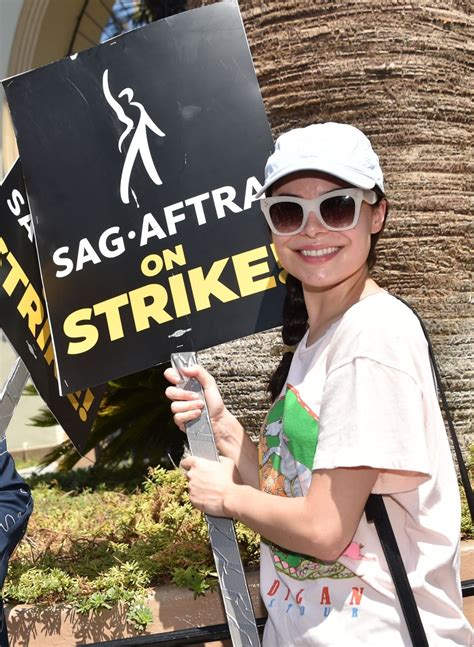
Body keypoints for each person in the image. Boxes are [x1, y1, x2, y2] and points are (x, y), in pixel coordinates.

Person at [164, 122, 472, 646]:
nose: (312, 229)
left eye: (337, 207)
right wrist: (229, 433)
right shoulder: (318, 340)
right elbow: (299, 484)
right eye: (289, 211)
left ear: (376, 214)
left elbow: (325, 529)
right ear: (271, 227)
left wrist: (226, 497)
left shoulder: (371, 334)